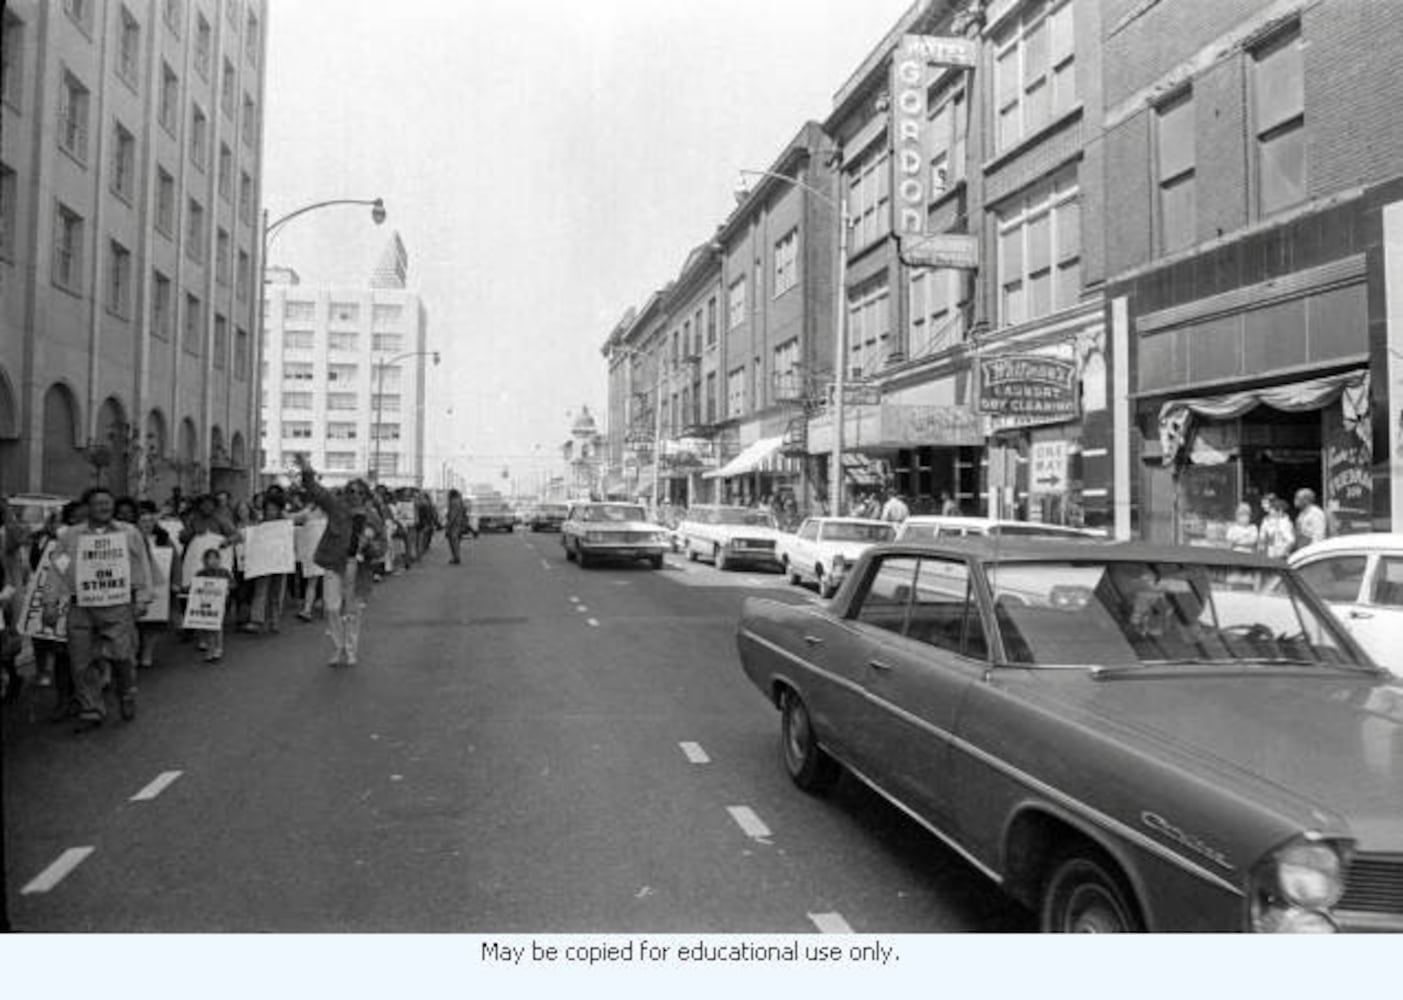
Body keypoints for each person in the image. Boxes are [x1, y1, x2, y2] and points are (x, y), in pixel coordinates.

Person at [40, 486, 153, 731]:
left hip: (117, 604)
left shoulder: (128, 533)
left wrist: (143, 597)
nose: (105, 507)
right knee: (81, 661)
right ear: (87, 508)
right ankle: (91, 707)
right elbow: (58, 569)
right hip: (81, 606)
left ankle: (126, 693)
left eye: (108, 503)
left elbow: (141, 564)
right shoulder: (70, 536)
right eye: (98, 503)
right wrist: (49, 603)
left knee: (122, 655)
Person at [295, 456, 387, 667]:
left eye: (359, 492)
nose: (354, 495)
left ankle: (351, 650)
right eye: (351, 491)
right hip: (335, 565)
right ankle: (338, 647)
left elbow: (383, 543)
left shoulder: (372, 516)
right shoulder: (336, 507)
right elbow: (317, 491)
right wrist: (307, 468)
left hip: (358, 568)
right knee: (332, 607)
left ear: (365, 495)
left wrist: (371, 547)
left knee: (353, 612)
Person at [135, 501, 176, 669]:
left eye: (150, 521)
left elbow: (175, 561)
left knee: (154, 623)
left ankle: (147, 652)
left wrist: (176, 582)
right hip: (138, 586)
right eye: (143, 522)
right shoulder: (132, 538)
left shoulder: (163, 539)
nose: (147, 525)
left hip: (160, 586)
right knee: (136, 622)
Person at [244, 493, 290, 634]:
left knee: (276, 592)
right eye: (269, 509)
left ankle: (274, 621)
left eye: (274, 509)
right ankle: (257, 620)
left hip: (278, 562)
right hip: (263, 562)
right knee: (261, 590)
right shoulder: (260, 525)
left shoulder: (283, 525)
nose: (271, 512)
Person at [194, 547, 233, 663]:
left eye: (216, 558)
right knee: (207, 627)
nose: (213, 561)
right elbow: (195, 587)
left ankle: (218, 648)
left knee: (217, 627)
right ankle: (210, 648)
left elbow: (233, 584)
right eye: (209, 558)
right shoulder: (200, 573)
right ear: (204, 561)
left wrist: (227, 587)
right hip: (205, 604)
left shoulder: (224, 572)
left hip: (220, 604)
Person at [1258, 494, 1295, 560]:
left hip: (1280, 557)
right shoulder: (1265, 520)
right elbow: (1262, 537)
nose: (1263, 506)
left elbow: (1291, 540)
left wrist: (1283, 552)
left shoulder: (1284, 522)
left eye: (1266, 503)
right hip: (1267, 556)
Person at [445, 489, 468, 565]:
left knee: (453, 541)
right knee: (457, 541)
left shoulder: (454, 502)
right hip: (460, 523)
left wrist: (448, 525)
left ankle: (456, 557)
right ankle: (456, 556)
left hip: (454, 525)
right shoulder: (460, 501)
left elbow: (452, 515)